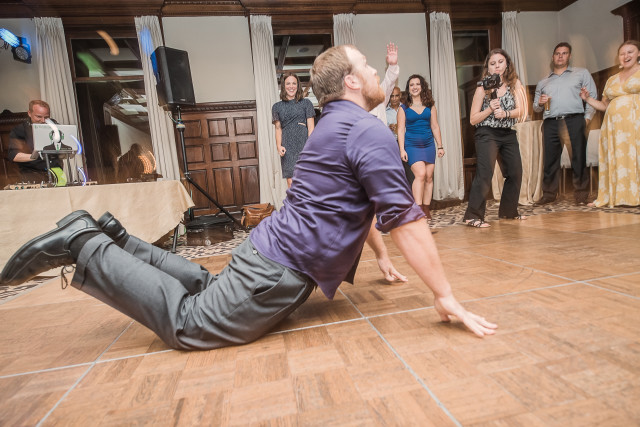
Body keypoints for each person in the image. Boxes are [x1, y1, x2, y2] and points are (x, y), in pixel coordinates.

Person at [0, 45, 497, 351]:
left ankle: (116, 240)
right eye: (367, 66)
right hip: (275, 270)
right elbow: (406, 219)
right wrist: (444, 294)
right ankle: (87, 245)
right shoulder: (366, 131)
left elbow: (352, 205)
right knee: (189, 323)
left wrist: (382, 257)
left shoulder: (333, 126)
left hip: (267, 254)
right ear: (350, 81)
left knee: (202, 287)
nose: (374, 73)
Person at [463, 49, 527, 228]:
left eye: (500, 62)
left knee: (515, 172)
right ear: (488, 67)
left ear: (507, 64)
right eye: (492, 63)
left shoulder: (515, 84)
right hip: (487, 133)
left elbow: (522, 110)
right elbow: (473, 119)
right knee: (485, 174)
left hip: (507, 132)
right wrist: (489, 109)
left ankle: (508, 212)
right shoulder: (482, 87)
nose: (497, 66)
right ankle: (472, 216)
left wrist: (506, 113)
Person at [533, 42, 597, 205]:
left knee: (578, 158)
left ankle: (581, 194)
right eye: (557, 53)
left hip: (574, 119)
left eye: (564, 53)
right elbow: (536, 108)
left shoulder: (581, 73)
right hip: (551, 122)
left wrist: (587, 118)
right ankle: (549, 194)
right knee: (550, 160)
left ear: (569, 56)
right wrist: (540, 103)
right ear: (552, 57)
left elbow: (592, 96)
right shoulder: (543, 82)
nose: (560, 56)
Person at [580, 40, 640, 207]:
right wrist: (587, 99)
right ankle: (619, 196)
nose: (626, 56)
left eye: (630, 52)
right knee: (617, 159)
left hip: (635, 124)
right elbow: (604, 105)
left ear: (638, 54)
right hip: (613, 128)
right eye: (622, 53)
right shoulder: (612, 79)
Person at [397, 74, 444, 219]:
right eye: (411, 85)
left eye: (417, 84)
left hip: (429, 144)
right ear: (408, 88)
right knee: (421, 174)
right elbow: (400, 129)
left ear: (422, 87)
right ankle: (417, 209)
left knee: (429, 177)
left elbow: (435, 126)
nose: (415, 87)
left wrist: (440, 146)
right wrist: (402, 149)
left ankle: (426, 208)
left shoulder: (430, 106)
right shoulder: (403, 108)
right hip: (412, 145)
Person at [272, 72, 315, 188]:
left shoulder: (306, 103)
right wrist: (278, 146)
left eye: (294, 83)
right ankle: (294, 201)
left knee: (307, 180)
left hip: (304, 144)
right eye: (288, 84)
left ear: (298, 85)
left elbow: (311, 128)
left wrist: (310, 146)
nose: (291, 86)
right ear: (283, 86)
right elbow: (278, 128)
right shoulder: (277, 107)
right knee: (291, 182)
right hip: (288, 146)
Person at [8, 100, 63, 182]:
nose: (43, 120)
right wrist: (37, 155)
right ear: (29, 113)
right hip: (31, 174)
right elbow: (13, 156)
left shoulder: (54, 125)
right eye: (39, 117)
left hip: (57, 171)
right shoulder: (19, 130)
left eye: (46, 117)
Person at [387, 86, 415, 185]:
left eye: (396, 95)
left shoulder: (407, 109)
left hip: (407, 142)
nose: (394, 98)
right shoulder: (384, 111)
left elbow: (413, 124)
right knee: (394, 171)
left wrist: (402, 126)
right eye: (392, 96)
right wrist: (388, 128)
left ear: (400, 95)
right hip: (392, 144)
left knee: (409, 170)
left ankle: (412, 192)